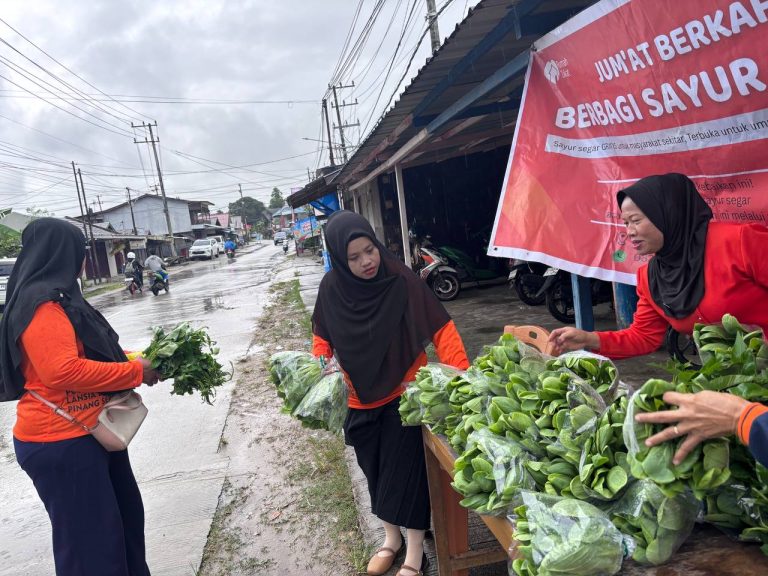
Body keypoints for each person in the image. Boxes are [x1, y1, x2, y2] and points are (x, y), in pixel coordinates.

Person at [547, 173, 768, 470]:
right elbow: (644, 336)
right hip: (728, 390)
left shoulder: (740, 241)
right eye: (625, 223)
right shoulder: (651, 278)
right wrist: (590, 339)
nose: (629, 232)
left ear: (668, 213)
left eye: (636, 220)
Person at [311, 211, 469, 576]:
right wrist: (324, 366)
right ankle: (390, 539)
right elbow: (321, 337)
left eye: (370, 250)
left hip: (405, 395)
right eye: (354, 257)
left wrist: (461, 379)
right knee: (376, 473)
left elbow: (442, 328)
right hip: (357, 399)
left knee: (407, 475)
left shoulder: (401, 280)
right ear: (339, 258)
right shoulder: (332, 288)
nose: (366, 261)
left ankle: (415, 554)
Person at [0, 218, 160, 575]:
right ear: (61, 253)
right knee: (93, 551)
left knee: (124, 529)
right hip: (60, 443)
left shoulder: (62, 298)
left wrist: (138, 359)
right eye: (80, 251)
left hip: (91, 435)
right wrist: (136, 372)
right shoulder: (42, 305)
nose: (84, 260)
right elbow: (62, 371)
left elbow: (90, 354)